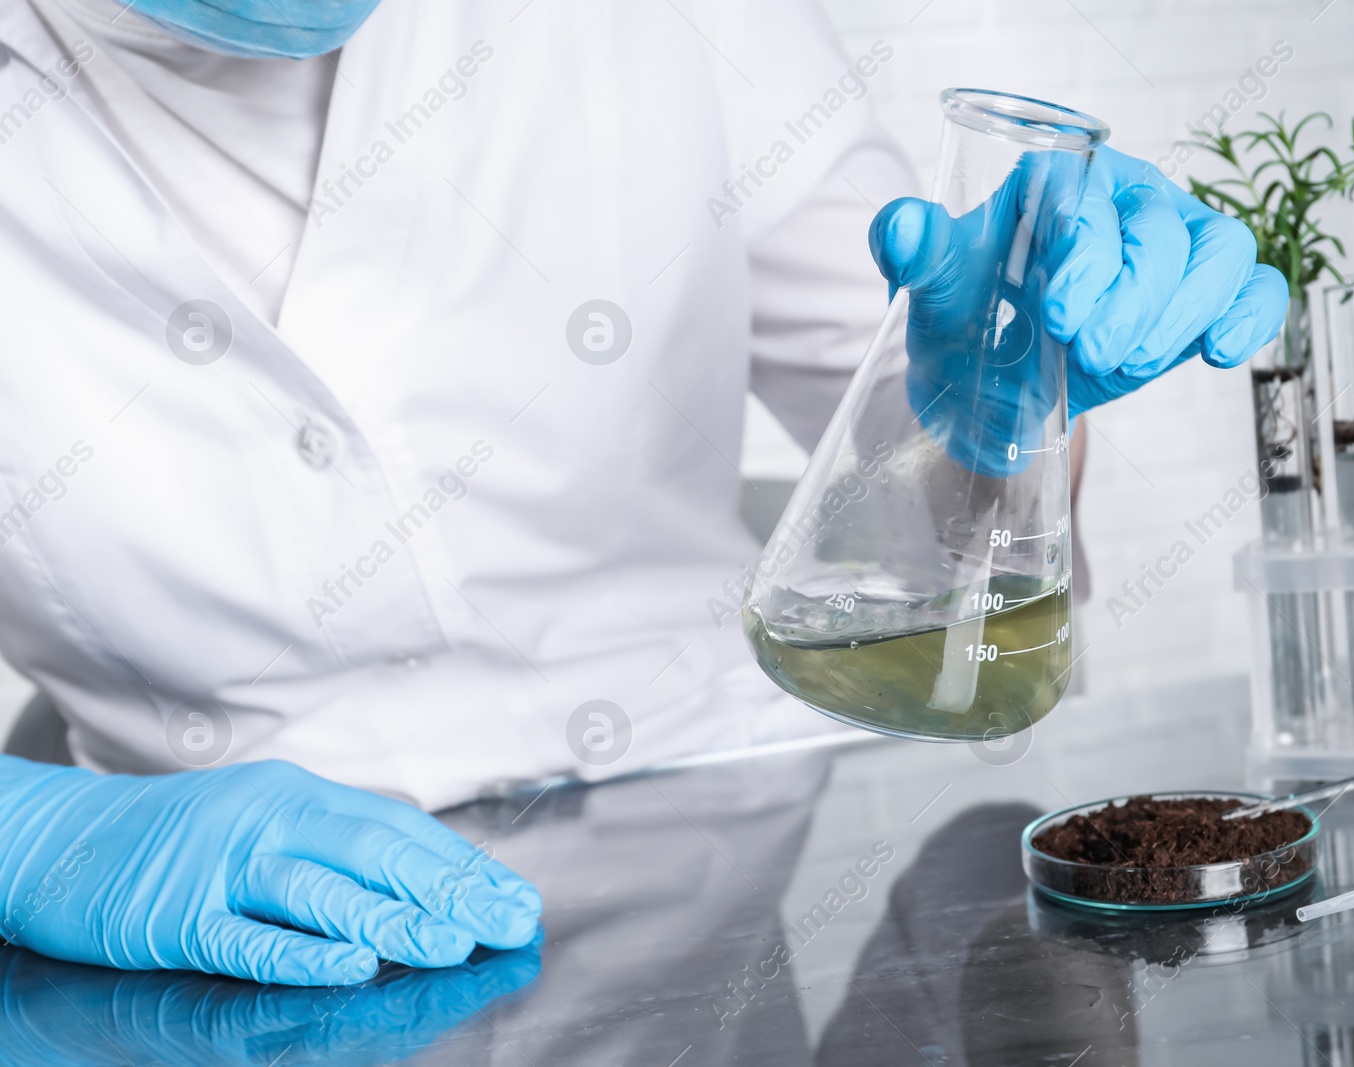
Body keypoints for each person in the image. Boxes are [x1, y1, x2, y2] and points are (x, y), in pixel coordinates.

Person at [0, 0, 1288, 985]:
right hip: (221, 929)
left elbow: (923, 480)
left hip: (738, 815)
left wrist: (1007, 397)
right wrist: (31, 842)